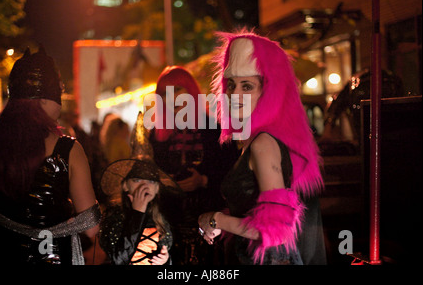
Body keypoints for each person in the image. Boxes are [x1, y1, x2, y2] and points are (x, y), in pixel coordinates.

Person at [198, 30, 326, 265]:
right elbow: (258, 209)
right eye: (231, 84)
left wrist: (215, 220)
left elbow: (275, 231)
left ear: (268, 92)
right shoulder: (259, 141)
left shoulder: (264, 144)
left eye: (247, 86)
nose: (234, 94)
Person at [0, 47, 101, 265]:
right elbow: (92, 229)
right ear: (43, 99)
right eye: (59, 91)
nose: (61, 97)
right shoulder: (68, 151)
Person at [146, 66, 239, 265]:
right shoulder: (156, 135)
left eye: (177, 89)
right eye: (164, 93)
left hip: (210, 222)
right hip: (170, 224)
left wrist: (204, 180)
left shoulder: (215, 129)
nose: (171, 97)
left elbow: (233, 174)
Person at [99, 159, 176, 265]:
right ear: (125, 185)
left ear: (157, 188)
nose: (144, 186)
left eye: (151, 181)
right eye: (137, 180)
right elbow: (119, 259)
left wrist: (165, 260)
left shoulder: (160, 219)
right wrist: (138, 213)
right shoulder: (114, 216)